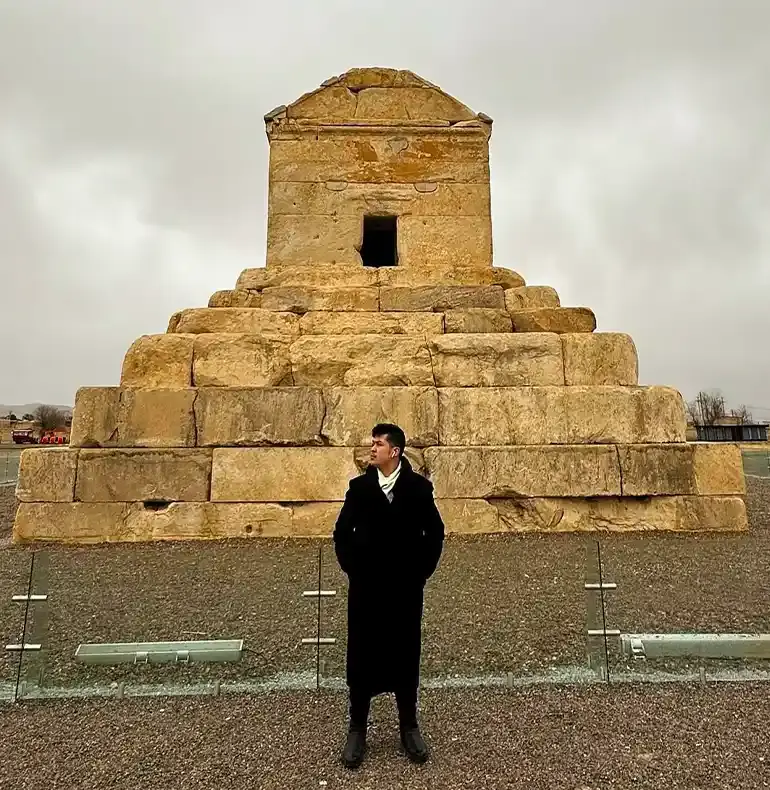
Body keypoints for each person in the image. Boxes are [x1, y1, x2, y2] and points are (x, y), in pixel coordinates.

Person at [333, 423, 445, 769]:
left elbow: (435, 532)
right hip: (367, 590)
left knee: (406, 653)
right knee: (362, 655)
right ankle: (357, 728)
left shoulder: (418, 489)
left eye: (378, 444)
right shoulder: (360, 488)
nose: (372, 449)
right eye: (372, 443)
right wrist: (354, 569)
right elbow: (341, 533)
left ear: (394, 451)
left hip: (404, 590)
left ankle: (409, 726)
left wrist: (420, 573)